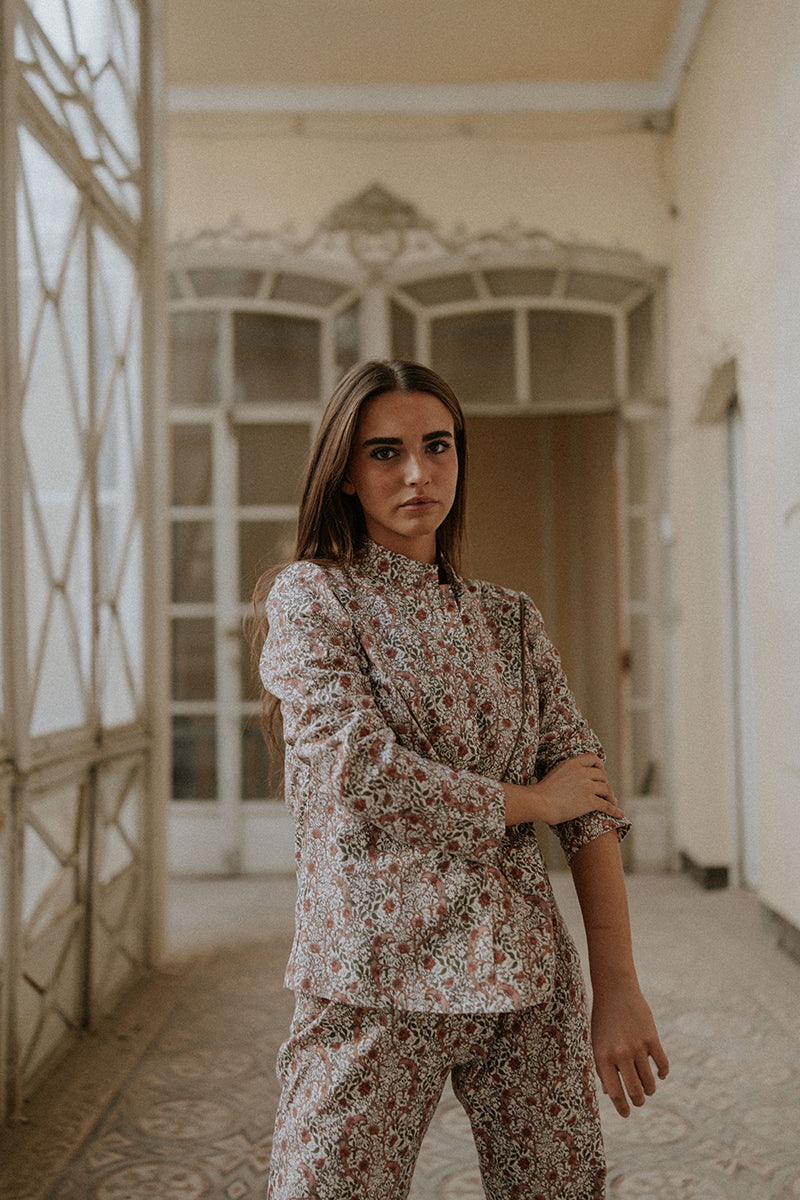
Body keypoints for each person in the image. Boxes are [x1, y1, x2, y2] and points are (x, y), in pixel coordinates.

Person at [252, 359, 668, 1200]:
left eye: (437, 446)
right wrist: (529, 802)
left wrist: (617, 985)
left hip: (526, 977)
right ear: (344, 472)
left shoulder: (511, 619)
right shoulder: (311, 598)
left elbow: (588, 806)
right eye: (385, 453)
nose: (417, 472)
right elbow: (354, 769)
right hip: (371, 978)